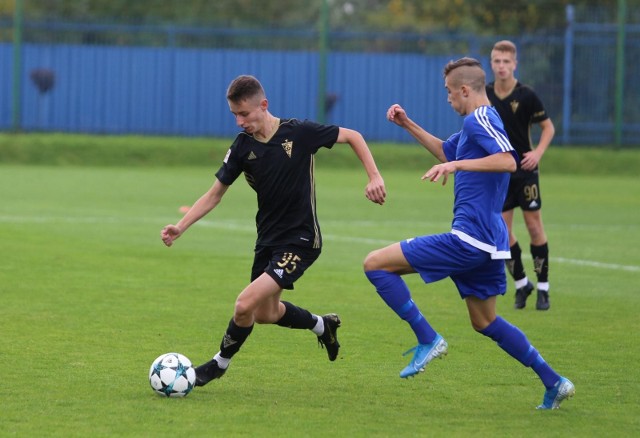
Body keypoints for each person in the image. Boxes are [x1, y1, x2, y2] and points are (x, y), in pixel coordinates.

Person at [363, 57, 574, 409]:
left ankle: (427, 339)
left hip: (470, 238)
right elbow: (448, 151)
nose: (447, 99)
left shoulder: (480, 119)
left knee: (375, 264)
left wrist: (456, 164)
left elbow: (508, 160)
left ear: (464, 90)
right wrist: (407, 124)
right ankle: (554, 381)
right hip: (489, 243)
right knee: (484, 320)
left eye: (449, 93)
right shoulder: (475, 125)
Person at [161, 75, 386, 386]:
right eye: (234, 115)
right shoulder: (242, 147)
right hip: (268, 239)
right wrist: (180, 227)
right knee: (266, 313)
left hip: (302, 239)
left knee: (244, 304)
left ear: (263, 106)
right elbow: (215, 193)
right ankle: (323, 326)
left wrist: (374, 176)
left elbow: (354, 136)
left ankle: (218, 364)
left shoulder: (300, 132)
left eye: (244, 114)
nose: (239, 122)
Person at [486, 40, 556, 311]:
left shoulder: (527, 95)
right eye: (497, 61)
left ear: (515, 64)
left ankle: (543, 288)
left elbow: (548, 128)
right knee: (502, 232)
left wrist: (537, 153)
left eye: (506, 62)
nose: (502, 66)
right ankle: (521, 283)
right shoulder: (486, 93)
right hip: (500, 173)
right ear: (491, 64)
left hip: (525, 172)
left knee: (534, 227)